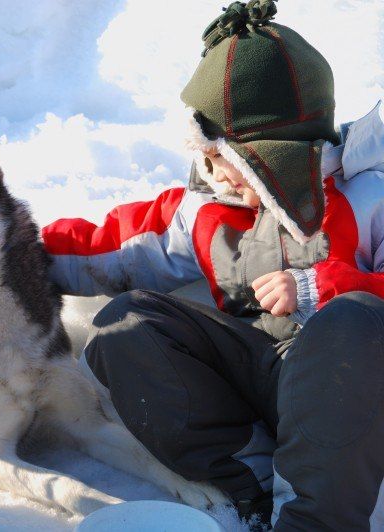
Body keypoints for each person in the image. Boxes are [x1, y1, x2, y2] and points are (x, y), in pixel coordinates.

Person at [42, 2, 384, 530]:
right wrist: (0, 247)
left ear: (268, 153)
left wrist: (330, 288)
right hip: (263, 378)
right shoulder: (205, 209)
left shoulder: (367, 195)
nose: (214, 170)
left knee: (352, 321)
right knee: (127, 323)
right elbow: (108, 247)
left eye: (226, 155)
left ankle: (315, 520)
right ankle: (250, 487)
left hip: (350, 393)